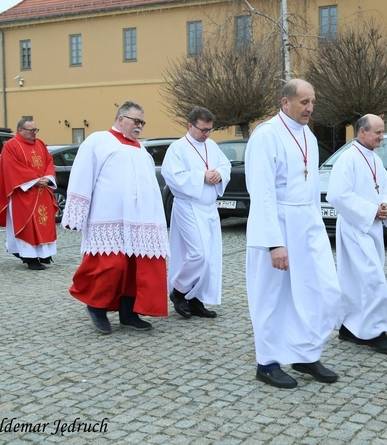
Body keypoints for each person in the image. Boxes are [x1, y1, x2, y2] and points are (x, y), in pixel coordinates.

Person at [245, 78, 341, 389]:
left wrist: (316, 228)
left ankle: (305, 353)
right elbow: (262, 193)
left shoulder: (308, 136)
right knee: (272, 297)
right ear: (286, 102)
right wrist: (274, 243)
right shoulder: (266, 136)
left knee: (320, 289)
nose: (310, 108)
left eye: (312, 102)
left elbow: (311, 187)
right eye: (304, 102)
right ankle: (267, 362)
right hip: (277, 224)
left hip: (306, 224)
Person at [62, 101, 169, 335]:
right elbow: (82, 174)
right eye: (136, 121)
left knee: (136, 268)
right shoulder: (98, 141)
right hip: (107, 217)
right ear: (121, 119)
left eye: (142, 122)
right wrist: (77, 212)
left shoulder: (141, 150)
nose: (140, 126)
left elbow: (149, 185)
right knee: (110, 264)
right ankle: (96, 306)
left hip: (138, 220)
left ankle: (129, 313)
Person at [326, 114, 387, 355]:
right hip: (354, 227)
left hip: (372, 227)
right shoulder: (347, 159)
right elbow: (337, 195)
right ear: (362, 132)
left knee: (358, 281)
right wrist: (371, 211)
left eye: (383, 132)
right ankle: (374, 332)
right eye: (377, 132)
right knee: (371, 279)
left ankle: (349, 328)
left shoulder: (375, 160)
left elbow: (386, 188)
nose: (382, 137)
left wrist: (386, 205)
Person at [163, 107, 230, 319]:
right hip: (189, 206)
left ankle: (196, 298)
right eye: (203, 130)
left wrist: (219, 174)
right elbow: (172, 175)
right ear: (190, 126)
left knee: (209, 257)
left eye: (210, 130)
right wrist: (202, 176)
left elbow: (225, 165)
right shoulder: (177, 148)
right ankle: (180, 291)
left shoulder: (211, 145)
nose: (207, 134)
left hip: (209, 208)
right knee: (197, 254)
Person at [0, 118, 57, 270]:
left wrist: (47, 178)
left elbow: (49, 162)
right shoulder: (11, 146)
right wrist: (34, 180)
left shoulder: (40, 144)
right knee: (28, 225)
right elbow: (12, 168)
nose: (34, 133)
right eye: (31, 130)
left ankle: (44, 255)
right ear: (20, 130)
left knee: (44, 223)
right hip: (23, 193)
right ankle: (30, 258)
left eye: (36, 130)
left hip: (42, 191)